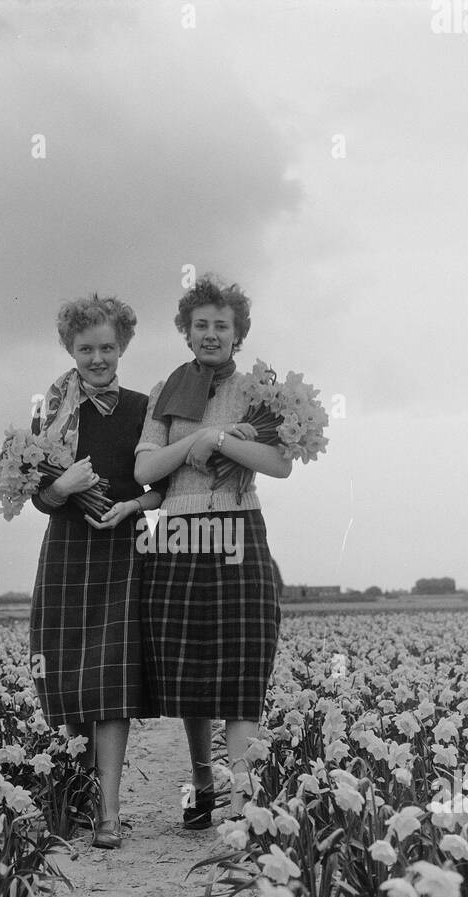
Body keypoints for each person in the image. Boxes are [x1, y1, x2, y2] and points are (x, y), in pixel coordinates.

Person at [134, 276, 292, 829]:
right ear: (186, 330)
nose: (210, 334)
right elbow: (145, 470)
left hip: (238, 530)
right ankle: (203, 785)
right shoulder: (165, 391)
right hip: (178, 535)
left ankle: (246, 807)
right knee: (192, 674)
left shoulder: (257, 389)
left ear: (238, 333)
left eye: (221, 326)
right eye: (200, 325)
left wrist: (221, 439)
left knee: (243, 673)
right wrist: (193, 442)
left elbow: (278, 464)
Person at [29, 294, 165, 849]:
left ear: (123, 346)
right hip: (67, 548)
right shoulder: (53, 410)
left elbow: (164, 486)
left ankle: (109, 812)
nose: (97, 357)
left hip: (123, 552)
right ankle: (82, 799)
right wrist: (62, 488)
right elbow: (38, 495)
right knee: (69, 679)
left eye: (107, 346)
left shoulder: (144, 408)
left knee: (111, 680)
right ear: (70, 349)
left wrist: (132, 506)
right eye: (86, 348)